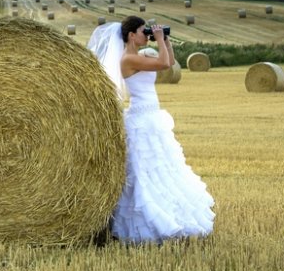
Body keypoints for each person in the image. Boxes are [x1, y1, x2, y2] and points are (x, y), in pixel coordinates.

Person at [87, 16, 214, 243]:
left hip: (152, 117)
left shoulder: (142, 56)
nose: (146, 35)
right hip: (141, 119)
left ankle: (170, 216)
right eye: (141, 31)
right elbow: (163, 64)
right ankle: (147, 223)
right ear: (131, 36)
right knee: (143, 172)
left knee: (162, 169)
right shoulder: (128, 60)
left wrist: (165, 40)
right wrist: (157, 39)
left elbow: (170, 61)